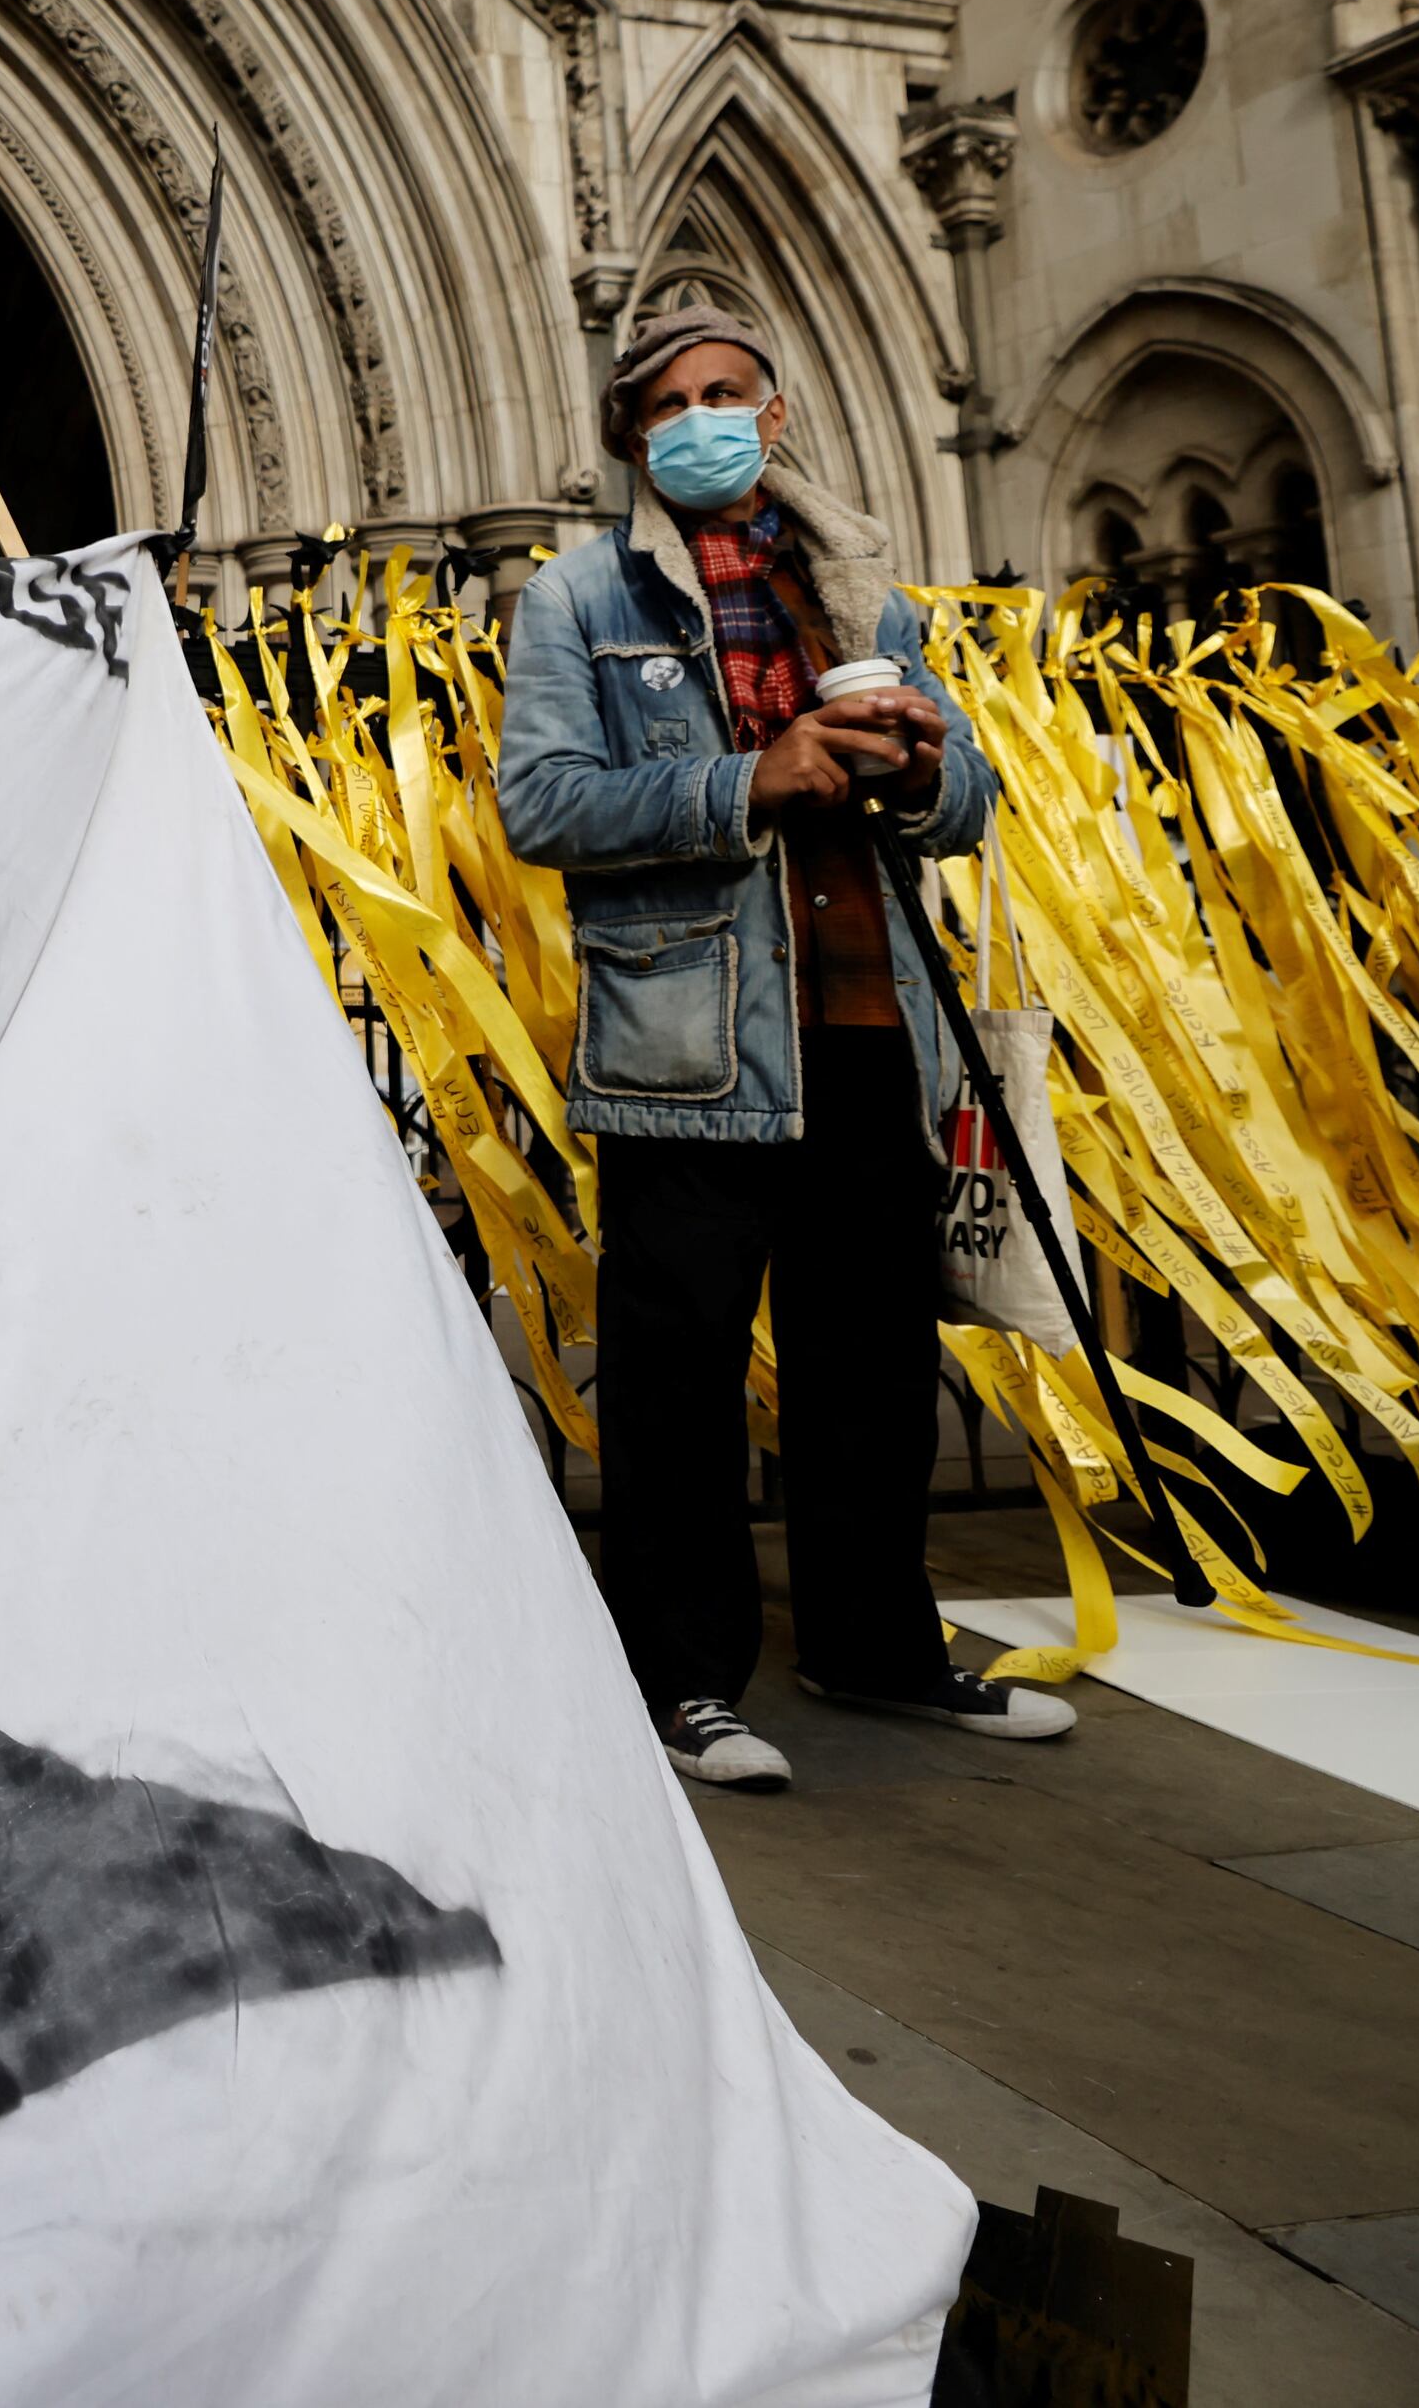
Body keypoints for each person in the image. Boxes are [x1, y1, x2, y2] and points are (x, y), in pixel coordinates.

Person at [496, 306, 1071, 1794]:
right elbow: (544, 805)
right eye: (670, 404)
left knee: (871, 1364)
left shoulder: (861, 592)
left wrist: (925, 768)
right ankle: (681, 1679)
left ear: (778, 411)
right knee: (677, 1379)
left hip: (876, 1028)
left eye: (728, 393)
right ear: (634, 438)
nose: (704, 419)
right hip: (690, 1048)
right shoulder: (577, 596)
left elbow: (970, 805)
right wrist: (752, 779)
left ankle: (872, 1648)